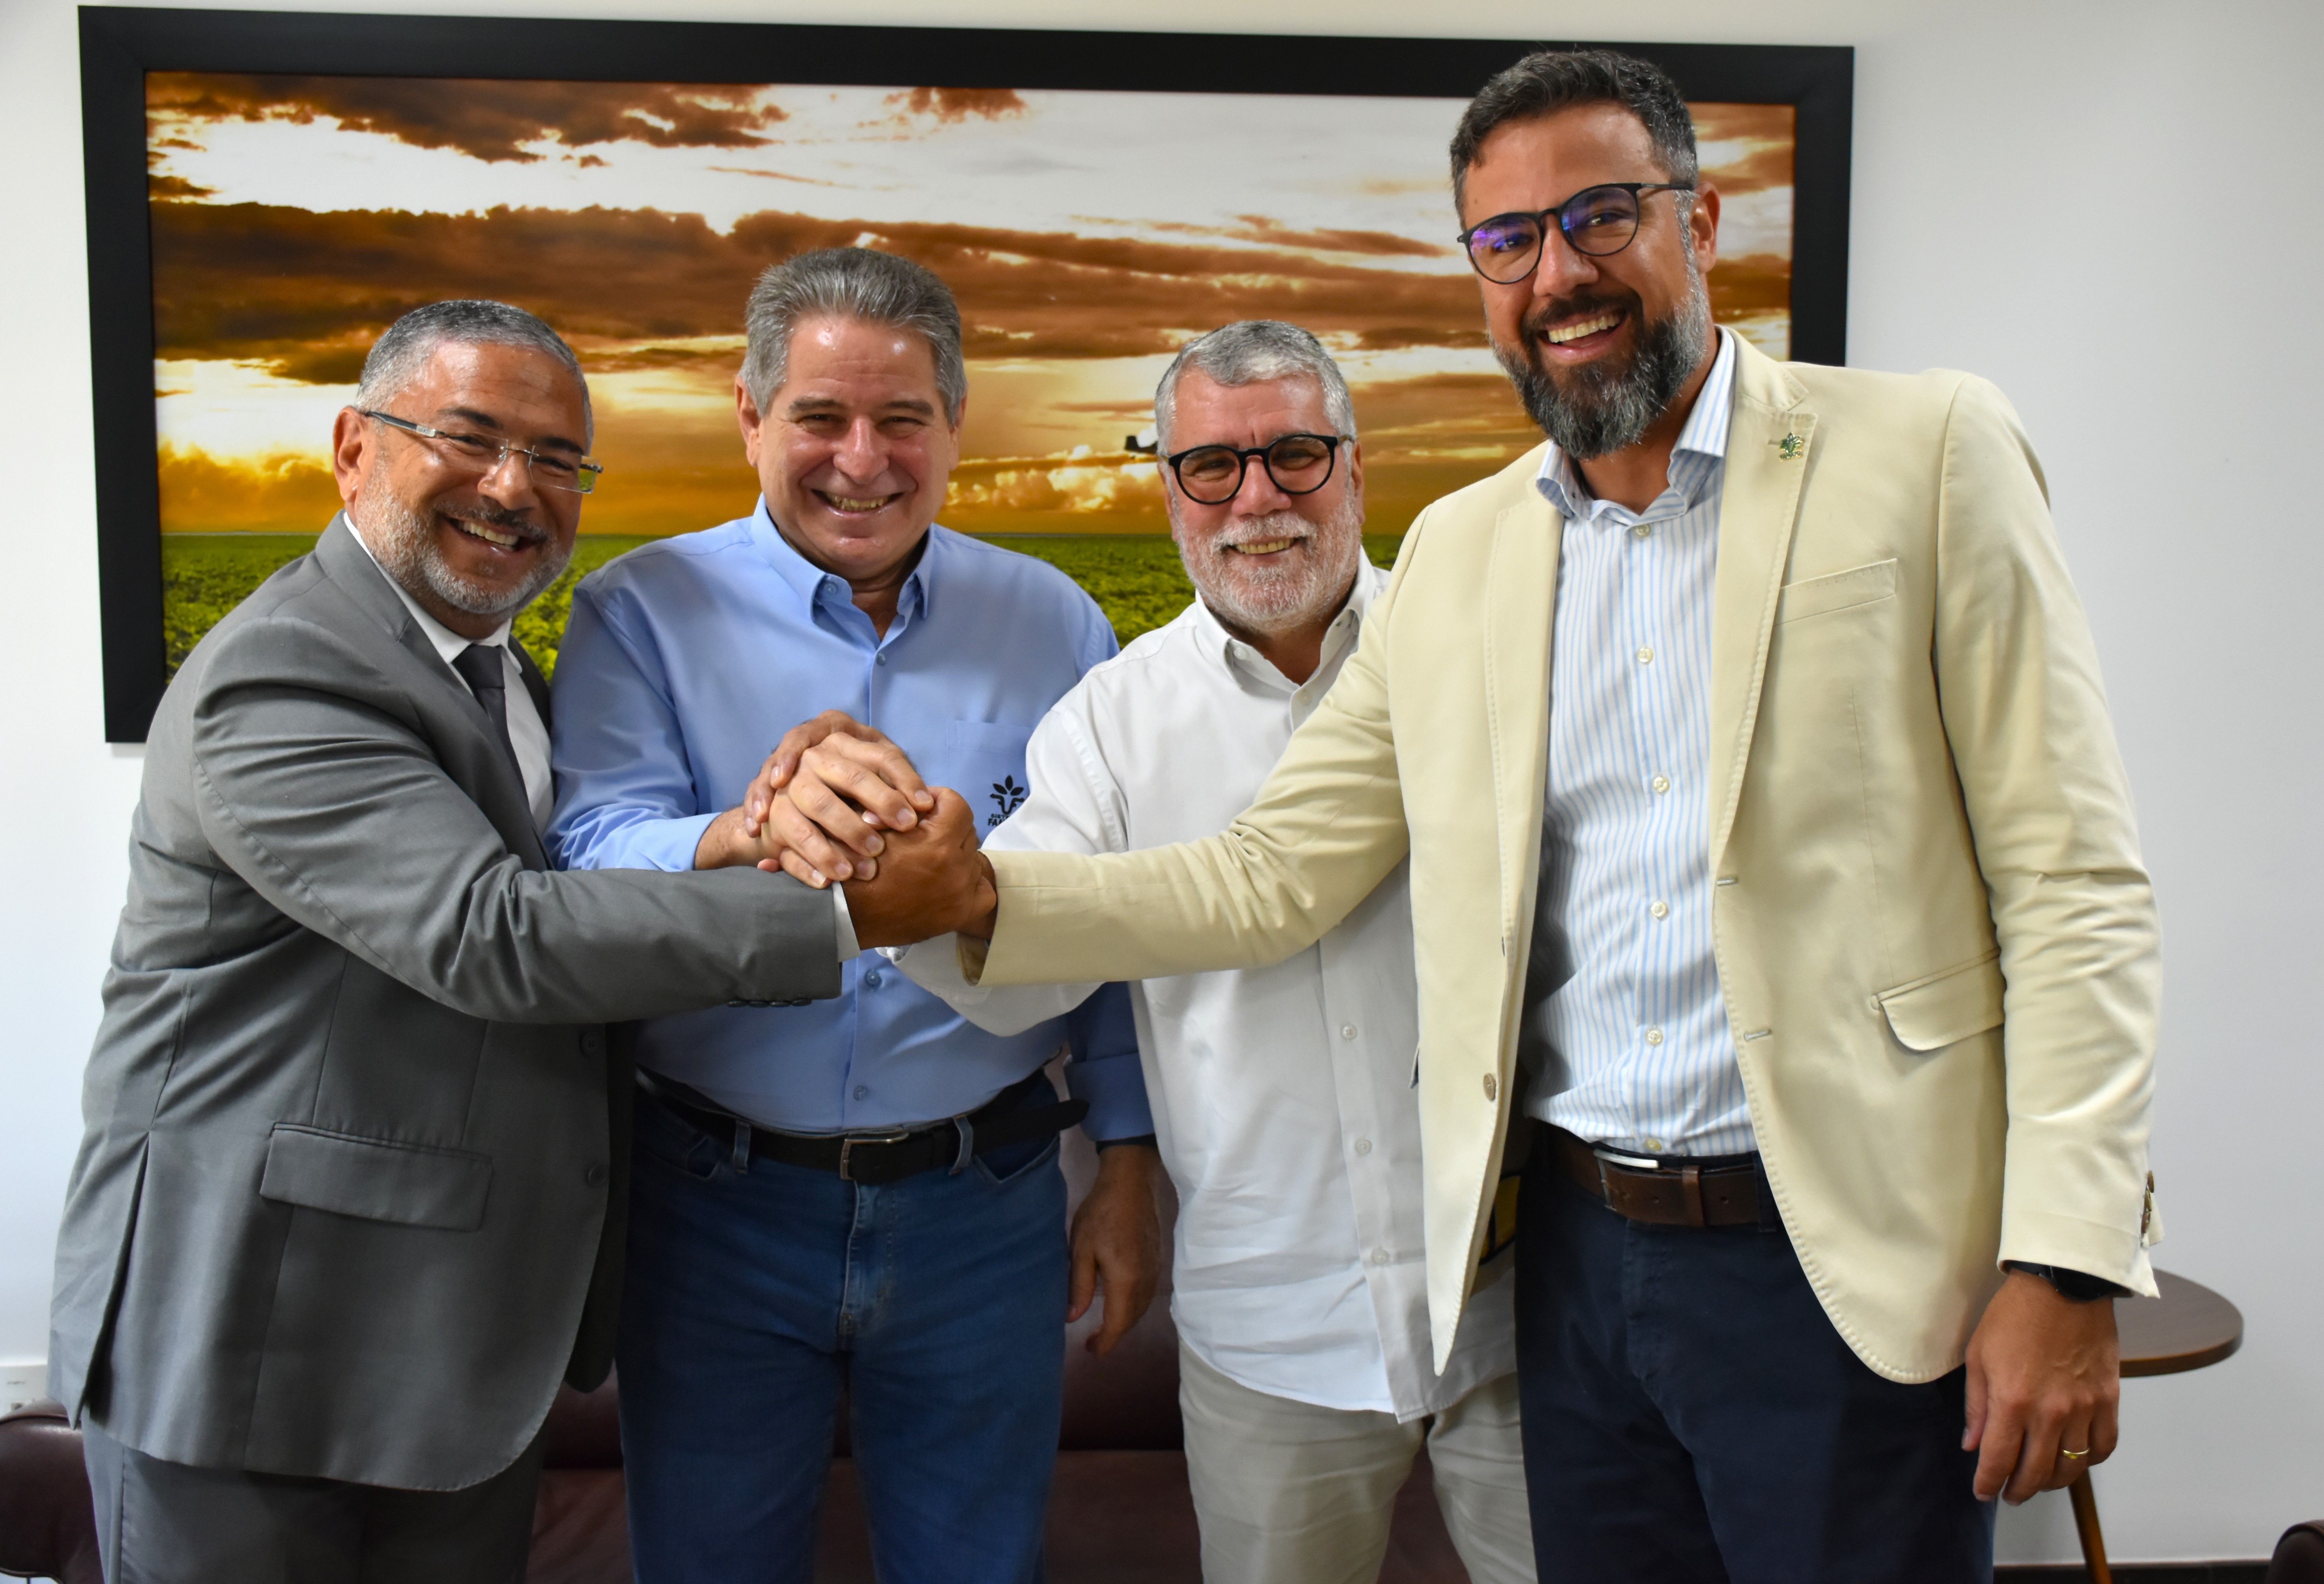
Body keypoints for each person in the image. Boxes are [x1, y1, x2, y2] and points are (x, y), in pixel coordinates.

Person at [788, 48, 2164, 1584]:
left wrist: (2066, 1262)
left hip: (1847, 1255)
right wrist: (974, 897)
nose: (1558, 273)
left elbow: (2072, 884)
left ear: (1702, 221)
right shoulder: (1467, 549)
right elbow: (1271, 874)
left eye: (1601, 216)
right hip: (1574, 1270)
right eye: (1508, 240)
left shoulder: (1925, 451)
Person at [49, 300, 849, 1584]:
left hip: (451, 1349)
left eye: (557, 459)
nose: (514, 487)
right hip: (256, 1339)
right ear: (353, 448)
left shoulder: (506, 680)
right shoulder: (284, 671)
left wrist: (742, 833)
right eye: (470, 438)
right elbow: (490, 934)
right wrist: (851, 914)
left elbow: (566, 882)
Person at [881, 321, 1535, 1584]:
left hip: (1521, 1306)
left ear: (1355, 466)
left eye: (1295, 456)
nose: (1257, 501)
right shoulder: (1113, 723)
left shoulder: (1489, 658)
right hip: (1272, 1326)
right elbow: (1022, 973)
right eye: (1213, 467)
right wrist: (918, 888)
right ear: (1169, 488)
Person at [542, 247, 1160, 1584]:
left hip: (985, 1208)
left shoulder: (1057, 624)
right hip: (710, 1206)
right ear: (751, 418)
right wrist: (747, 829)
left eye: (903, 420)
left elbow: (1103, 912)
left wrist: (1127, 1159)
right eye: (820, 418)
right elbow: (587, 853)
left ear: (957, 425)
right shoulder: (638, 610)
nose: (862, 461)